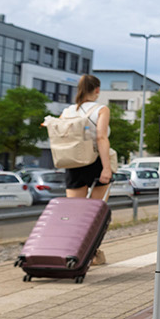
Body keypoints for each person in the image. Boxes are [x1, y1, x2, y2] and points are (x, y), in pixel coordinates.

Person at [58, 74, 113, 263]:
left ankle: (72, 252)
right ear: (97, 90)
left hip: (73, 164)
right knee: (95, 214)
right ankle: (92, 253)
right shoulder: (101, 109)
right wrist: (107, 168)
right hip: (95, 162)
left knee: (74, 214)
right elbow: (101, 138)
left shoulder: (67, 111)